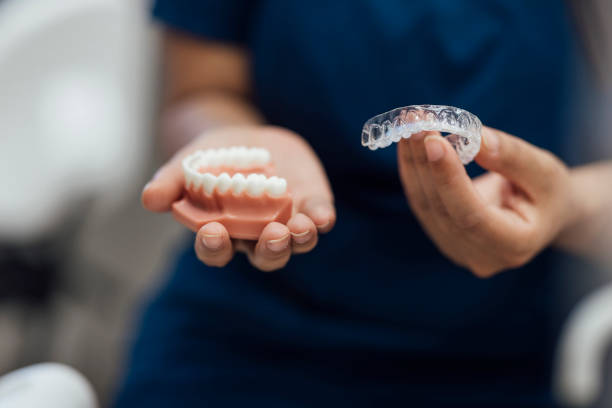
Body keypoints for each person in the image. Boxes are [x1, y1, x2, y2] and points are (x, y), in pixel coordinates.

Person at [115, 1, 612, 406]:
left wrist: (572, 205)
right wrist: (232, 142)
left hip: (502, 361)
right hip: (242, 340)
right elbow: (200, 90)